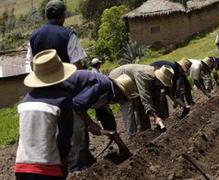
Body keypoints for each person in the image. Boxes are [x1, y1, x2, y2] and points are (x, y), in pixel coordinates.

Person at [15, 49, 76, 180]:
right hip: (47, 168)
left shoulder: (26, 100)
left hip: (21, 167)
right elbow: (65, 136)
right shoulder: (63, 99)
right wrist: (64, 161)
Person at [63, 70, 134, 172]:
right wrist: (90, 124)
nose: (120, 102)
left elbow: (109, 125)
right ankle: (76, 170)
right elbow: (76, 105)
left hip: (70, 101)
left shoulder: (106, 93)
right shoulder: (101, 85)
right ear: (118, 91)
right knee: (79, 133)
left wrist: (124, 149)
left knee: (82, 134)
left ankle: (89, 164)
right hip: (62, 98)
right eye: (122, 98)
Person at [109, 64, 175, 135]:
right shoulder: (144, 76)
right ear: (159, 80)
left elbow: (156, 99)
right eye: (162, 84)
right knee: (129, 104)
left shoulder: (155, 80)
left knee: (140, 104)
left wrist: (161, 117)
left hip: (132, 82)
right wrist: (155, 117)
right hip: (118, 80)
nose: (162, 87)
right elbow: (145, 98)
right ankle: (133, 136)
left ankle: (145, 132)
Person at [26, 0, 87, 69]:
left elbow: (31, 63)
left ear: (46, 16)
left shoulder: (33, 36)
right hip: (66, 78)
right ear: (63, 16)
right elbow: (76, 64)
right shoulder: (69, 35)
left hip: (42, 79)